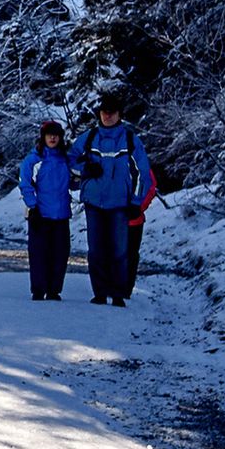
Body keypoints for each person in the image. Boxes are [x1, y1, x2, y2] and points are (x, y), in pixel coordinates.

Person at [68, 91, 153, 308]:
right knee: (96, 250)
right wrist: (85, 169)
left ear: (119, 114)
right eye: (104, 112)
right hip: (94, 202)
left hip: (119, 204)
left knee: (119, 250)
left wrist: (136, 202)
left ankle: (117, 293)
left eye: (112, 112)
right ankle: (99, 292)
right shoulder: (88, 138)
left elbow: (143, 173)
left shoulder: (130, 140)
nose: (107, 116)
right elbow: (69, 160)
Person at [18, 120, 72, 301]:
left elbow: (73, 181)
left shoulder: (66, 159)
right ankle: (39, 289)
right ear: (43, 137)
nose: (53, 138)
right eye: (49, 134)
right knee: (40, 254)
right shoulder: (34, 160)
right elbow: (25, 184)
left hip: (61, 214)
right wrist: (33, 206)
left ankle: (54, 290)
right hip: (40, 215)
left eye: (56, 134)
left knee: (60, 254)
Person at [125, 168, 158, 298]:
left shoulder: (139, 159)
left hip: (134, 219)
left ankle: (126, 288)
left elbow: (150, 186)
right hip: (114, 217)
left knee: (131, 254)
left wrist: (139, 207)